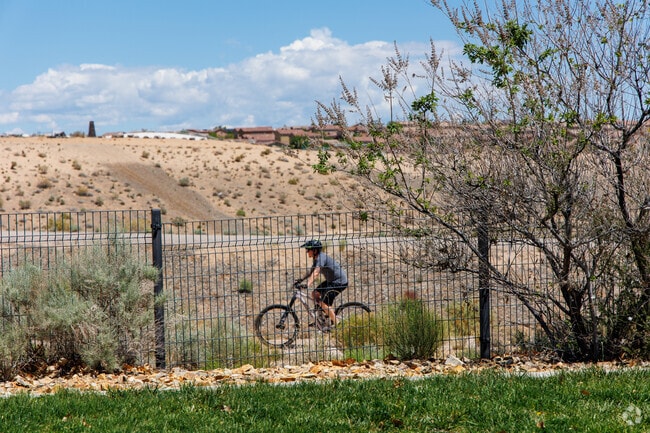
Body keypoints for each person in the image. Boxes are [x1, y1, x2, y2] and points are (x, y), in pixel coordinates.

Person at [295, 239, 348, 329]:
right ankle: (322, 317)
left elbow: (315, 273)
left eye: (308, 249)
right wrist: (301, 279)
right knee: (315, 293)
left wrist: (307, 284)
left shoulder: (320, 258)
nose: (307, 251)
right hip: (332, 281)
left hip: (339, 282)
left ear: (315, 250)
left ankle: (338, 325)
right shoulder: (316, 259)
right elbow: (311, 271)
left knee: (324, 304)